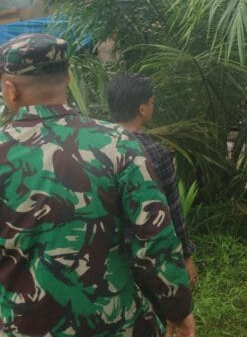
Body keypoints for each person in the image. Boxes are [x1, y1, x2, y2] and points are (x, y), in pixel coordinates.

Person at [0, 34, 194, 336]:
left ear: (9, 90)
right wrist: (179, 312)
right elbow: (155, 243)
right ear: (67, 78)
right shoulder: (118, 144)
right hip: (116, 324)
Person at [107, 73, 198, 288]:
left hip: (107, 263)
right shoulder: (155, 152)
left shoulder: (93, 149)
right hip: (147, 262)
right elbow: (172, 210)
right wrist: (186, 256)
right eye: (151, 102)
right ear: (142, 108)